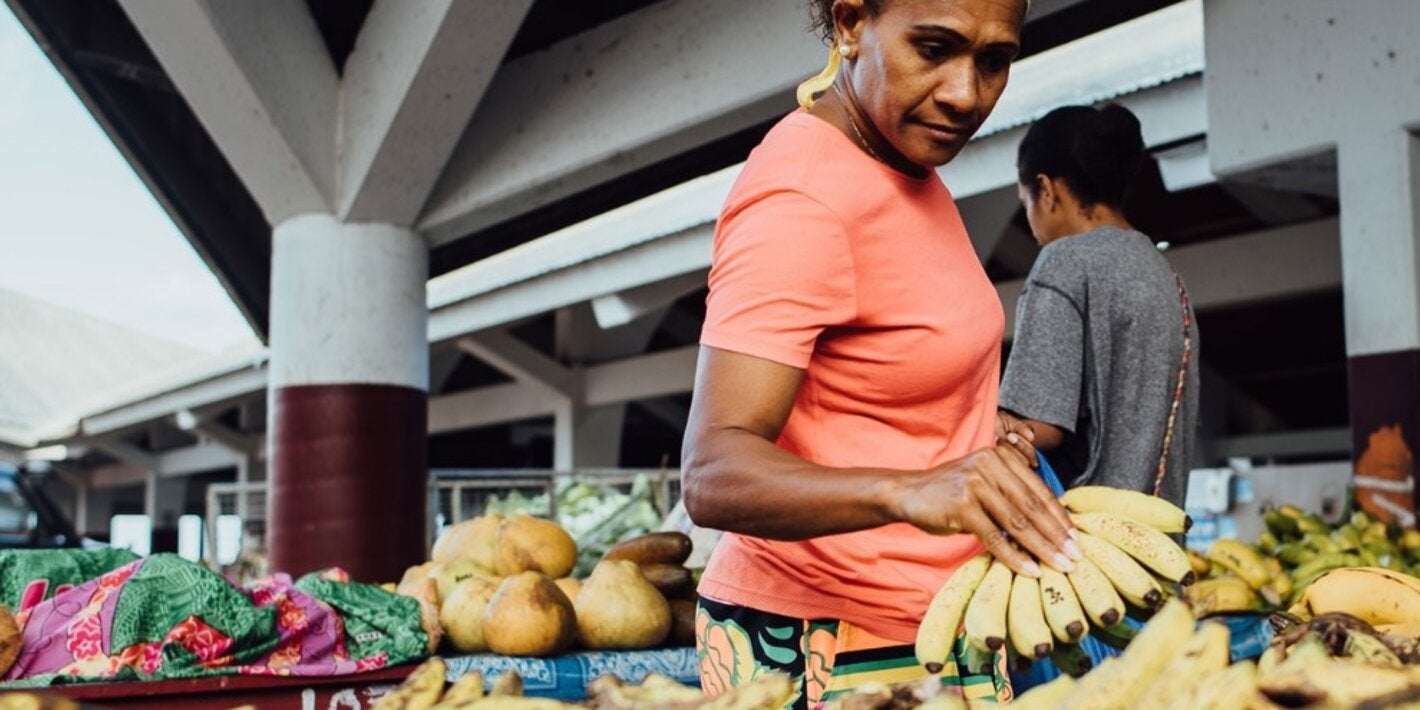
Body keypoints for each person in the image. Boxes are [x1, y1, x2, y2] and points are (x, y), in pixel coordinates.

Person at [680, 1, 1081, 706]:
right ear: (849, 23)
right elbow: (713, 470)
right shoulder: (800, 195)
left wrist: (972, 439)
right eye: (933, 48)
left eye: (995, 61)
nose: (966, 94)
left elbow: (880, 381)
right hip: (826, 640)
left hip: (939, 622)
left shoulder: (906, 169)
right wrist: (910, 487)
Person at [997, 104, 1200, 509]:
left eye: (1027, 204)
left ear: (1047, 190)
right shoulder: (1166, 277)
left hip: (1083, 546)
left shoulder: (1065, 262)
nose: (1032, 225)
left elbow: (1037, 429)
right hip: (1155, 547)